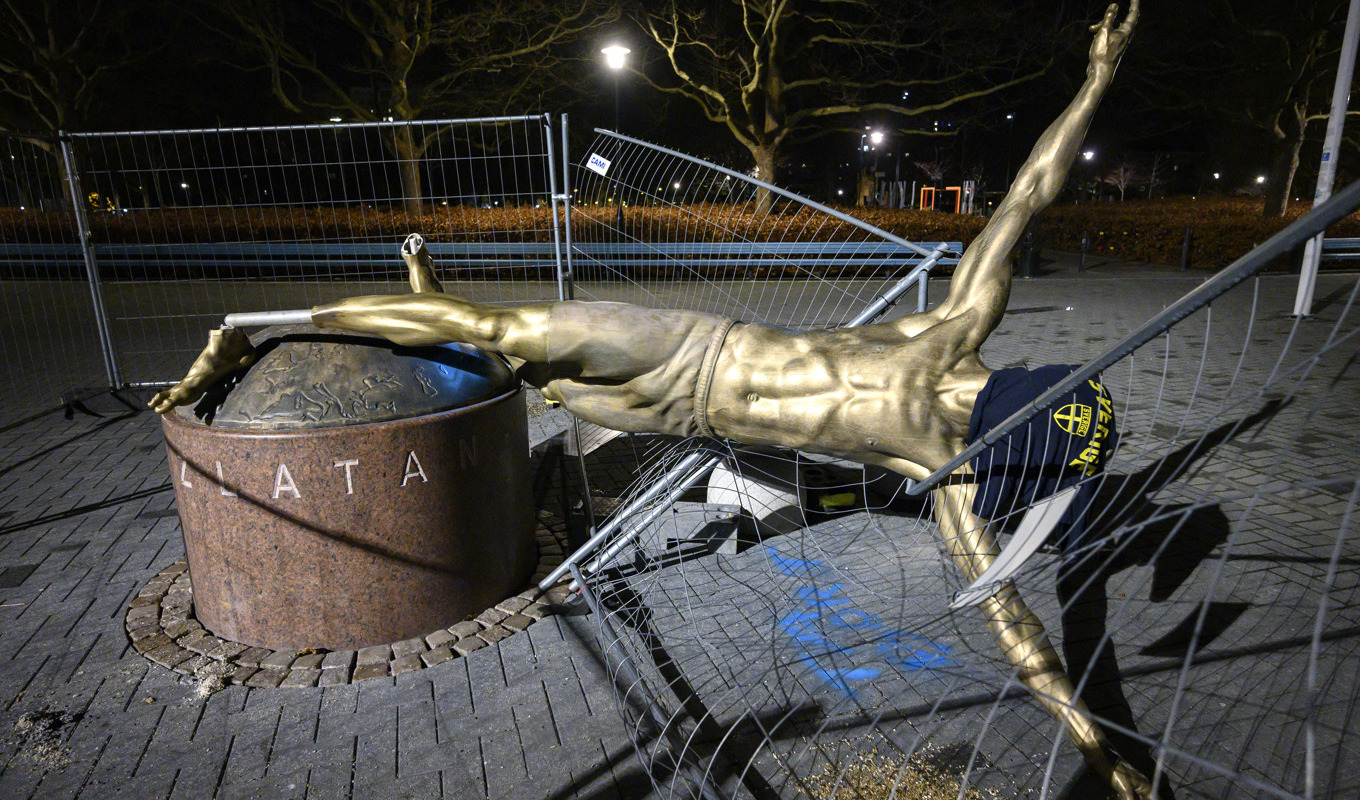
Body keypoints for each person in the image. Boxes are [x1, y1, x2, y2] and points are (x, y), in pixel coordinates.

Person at [151, 4, 1150, 797]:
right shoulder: (949, 340)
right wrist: (1098, 77)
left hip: (682, 411)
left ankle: (429, 315)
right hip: (689, 342)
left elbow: (1023, 635)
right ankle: (252, 330)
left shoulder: (947, 476)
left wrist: (1097, 747)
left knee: (514, 370)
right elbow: (1027, 195)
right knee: (503, 331)